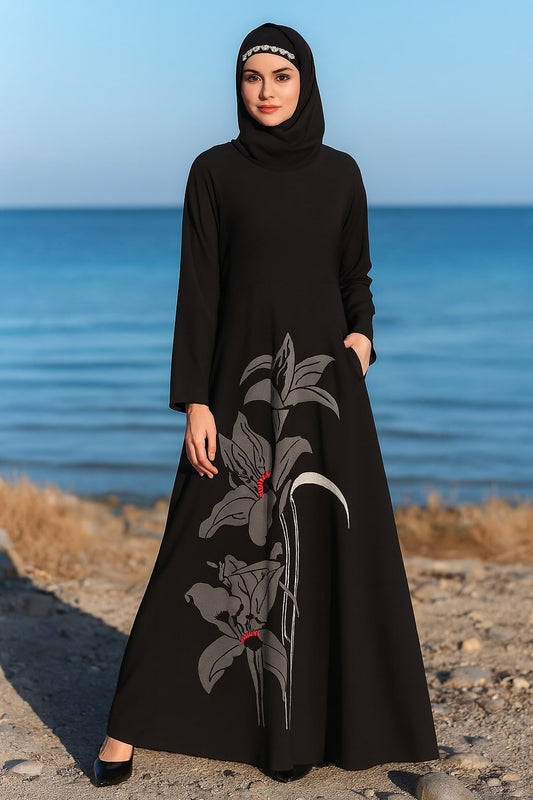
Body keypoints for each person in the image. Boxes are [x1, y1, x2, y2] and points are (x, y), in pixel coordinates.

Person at [93, 21, 439, 788]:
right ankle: (123, 729)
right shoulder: (214, 172)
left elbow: (355, 275)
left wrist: (362, 341)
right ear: (237, 87)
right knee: (195, 548)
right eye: (252, 78)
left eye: (280, 77)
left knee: (319, 550)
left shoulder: (340, 173)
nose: (266, 92)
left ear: (304, 83)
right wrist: (195, 401)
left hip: (324, 392)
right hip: (236, 393)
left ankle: (299, 732)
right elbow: (198, 292)